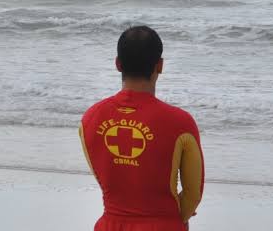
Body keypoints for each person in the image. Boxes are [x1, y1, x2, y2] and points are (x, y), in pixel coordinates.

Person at [79, 26, 204, 231]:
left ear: (118, 64)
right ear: (160, 65)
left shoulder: (90, 118)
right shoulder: (180, 123)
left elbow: (109, 178)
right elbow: (193, 194)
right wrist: (174, 217)